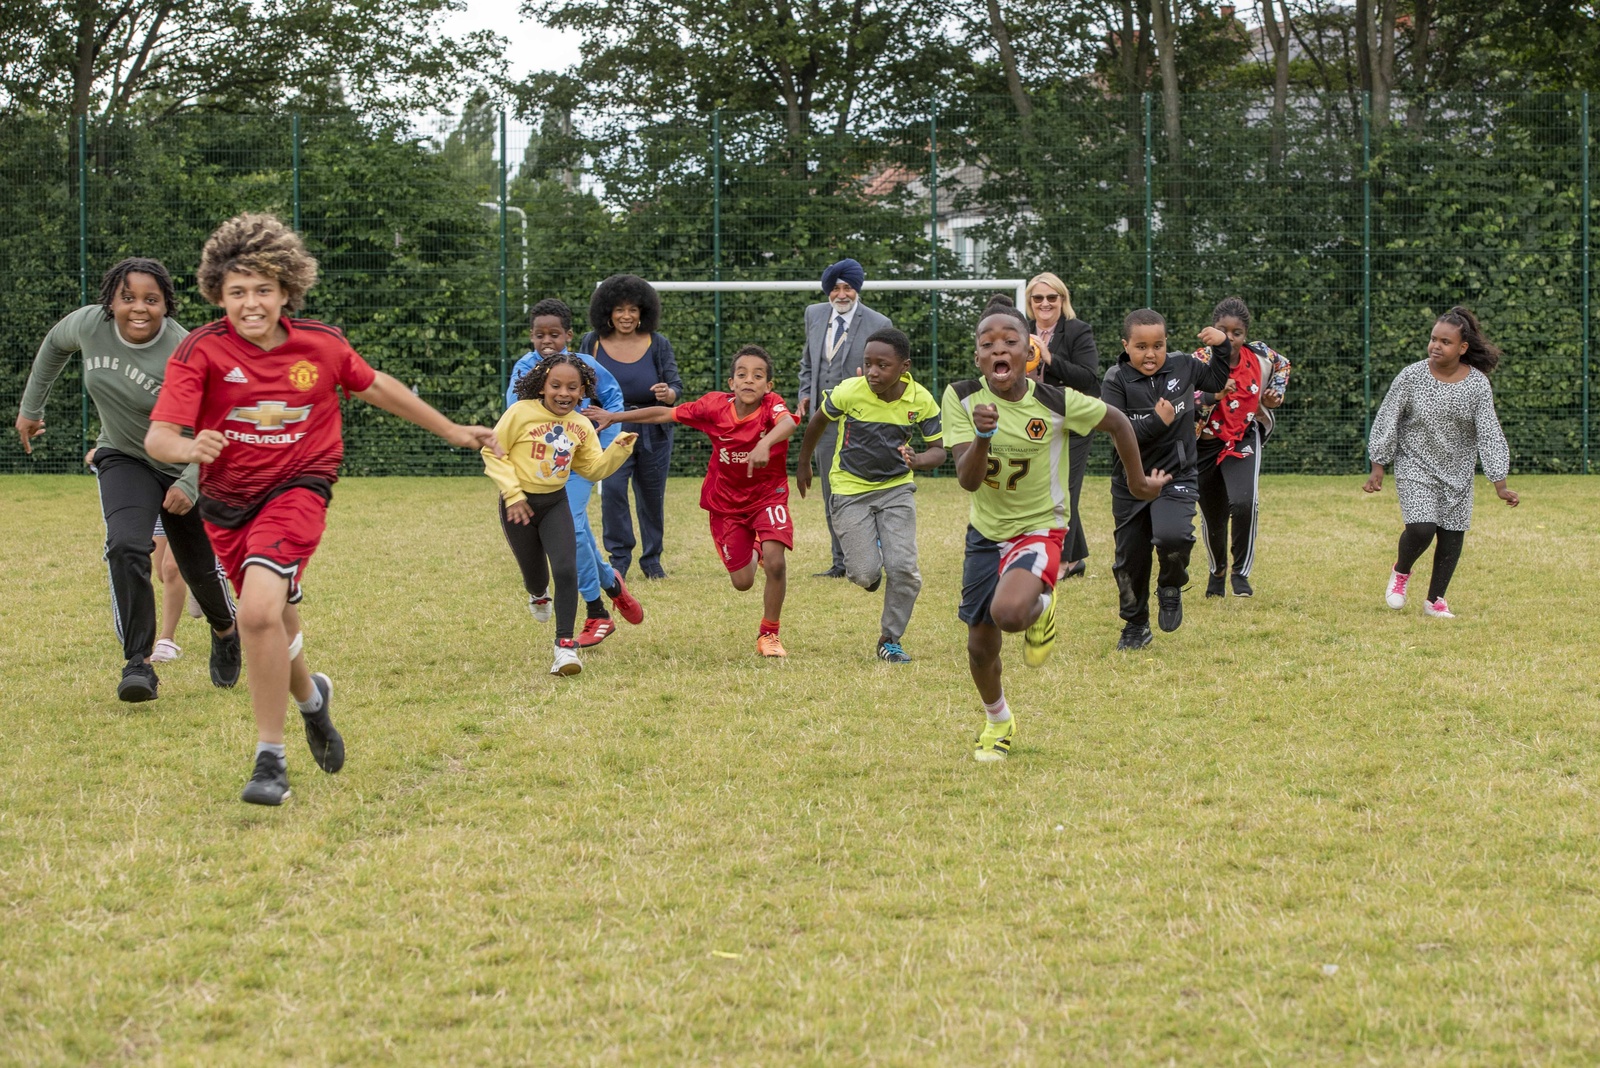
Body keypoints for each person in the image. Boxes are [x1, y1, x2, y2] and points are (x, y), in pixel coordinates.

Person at [146, 212, 501, 807]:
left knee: (258, 611)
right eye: (237, 292)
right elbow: (159, 438)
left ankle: (270, 760)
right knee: (276, 623)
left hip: (299, 488)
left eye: (263, 289)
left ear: (287, 289)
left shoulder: (322, 346)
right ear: (218, 295)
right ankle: (312, 701)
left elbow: (378, 386)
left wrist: (450, 430)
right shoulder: (200, 350)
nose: (251, 303)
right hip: (226, 504)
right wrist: (188, 446)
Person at [943, 302, 1168, 762]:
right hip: (985, 533)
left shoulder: (1055, 401)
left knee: (1009, 614)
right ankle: (998, 721)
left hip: (1040, 528)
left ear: (1029, 349)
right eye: (987, 344)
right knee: (979, 646)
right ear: (978, 358)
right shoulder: (962, 397)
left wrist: (1139, 481)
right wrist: (983, 437)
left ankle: (1041, 604)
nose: (999, 349)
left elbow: (1117, 421)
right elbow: (967, 480)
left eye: (1010, 341)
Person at [19, 257, 240, 702]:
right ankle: (138, 663)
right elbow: (52, 347)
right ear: (111, 300)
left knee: (196, 568)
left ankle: (225, 630)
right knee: (125, 545)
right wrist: (31, 409)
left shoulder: (186, 351)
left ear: (166, 305)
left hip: (182, 464)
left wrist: (191, 483)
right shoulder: (88, 325)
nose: (138, 308)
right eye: (128, 298)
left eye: (151, 299)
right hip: (123, 456)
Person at [593, 345, 798, 657]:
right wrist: (615, 416)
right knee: (742, 582)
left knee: (776, 562)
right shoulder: (713, 407)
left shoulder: (773, 406)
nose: (749, 380)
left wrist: (765, 443)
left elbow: (789, 424)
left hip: (768, 497)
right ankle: (756, 545)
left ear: (768, 386)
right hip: (725, 504)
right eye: (741, 374)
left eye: (758, 376)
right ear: (731, 383)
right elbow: (665, 412)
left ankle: (769, 634)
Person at [794, 327, 945, 663]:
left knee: (904, 569)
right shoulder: (850, 391)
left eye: (883, 365)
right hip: (849, 490)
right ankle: (871, 556)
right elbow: (818, 421)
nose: (873, 372)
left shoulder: (920, 400)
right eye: (868, 364)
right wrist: (804, 463)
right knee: (864, 575)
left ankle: (889, 639)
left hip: (896, 490)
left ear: (904, 366)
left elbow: (939, 450)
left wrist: (919, 460)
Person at [486, 354, 639, 676]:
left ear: (583, 391)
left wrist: (619, 449)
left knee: (567, 570)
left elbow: (592, 469)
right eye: (556, 385)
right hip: (519, 505)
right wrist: (513, 495)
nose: (564, 393)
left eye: (573, 387)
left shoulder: (581, 425)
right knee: (536, 577)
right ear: (542, 386)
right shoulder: (520, 413)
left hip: (556, 502)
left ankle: (564, 648)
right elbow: (492, 451)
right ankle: (538, 595)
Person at [506, 299, 644, 648]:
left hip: (578, 465)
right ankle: (611, 585)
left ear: (568, 335)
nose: (547, 341)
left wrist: (605, 439)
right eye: (540, 335)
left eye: (555, 334)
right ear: (531, 337)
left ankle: (597, 613)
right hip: (539, 469)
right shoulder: (523, 368)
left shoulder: (588, 365)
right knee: (576, 536)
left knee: (576, 529)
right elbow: (514, 418)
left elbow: (613, 404)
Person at [1364, 306, 1517, 618]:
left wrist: (1499, 482)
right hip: (1415, 465)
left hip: (1458, 470)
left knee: (1451, 535)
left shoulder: (1477, 384)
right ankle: (1401, 571)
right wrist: (1378, 465)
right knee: (1421, 529)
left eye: (1445, 342)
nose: (1436, 345)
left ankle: (1435, 600)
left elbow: (1489, 431)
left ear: (1462, 348)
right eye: (1433, 339)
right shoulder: (1412, 376)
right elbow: (1388, 417)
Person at [1100, 310, 1236, 650]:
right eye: (1141, 346)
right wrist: (1158, 422)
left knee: (1173, 536)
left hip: (1177, 475)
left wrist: (1222, 348)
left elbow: (1218, 382)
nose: (1151, 354)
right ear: (1126, 346)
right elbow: (1118, 434)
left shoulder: (1182, 365)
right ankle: (1136, 626)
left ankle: (1171, 585)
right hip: (1131, 481)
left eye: (1158, 345)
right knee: (1130, 558)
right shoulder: (1115, 381)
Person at [578, 275, 684, 580]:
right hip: (609, 431)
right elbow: (580, 383)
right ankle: (619, 559)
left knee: (651, 496)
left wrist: (668, 394)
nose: (626, 316)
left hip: (652, 431)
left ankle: (652, 560)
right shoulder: (592, 342)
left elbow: (676, 387)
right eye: (619, 309)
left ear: (643, 312)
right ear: (607, 312)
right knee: (612, 492)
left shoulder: (658, 343)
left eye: (633, 309)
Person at [796, 258, 894, 578]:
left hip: (861, 422)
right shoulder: (813, 314)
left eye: (847, 287)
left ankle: (872, 555)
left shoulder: (880, 323)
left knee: (863, 491)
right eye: (835, 288)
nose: (841, 294)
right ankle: (840, 562)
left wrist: (871, 379)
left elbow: (890, 371)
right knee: (830, 493)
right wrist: (804, 395)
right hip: (823, 422)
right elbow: (807, 365)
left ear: (857, 289)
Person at [1193, 296, 1292, 598]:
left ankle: (1240, 573)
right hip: (1205, 444)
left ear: (1245, 335)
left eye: (1237, 333)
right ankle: (1217, 570)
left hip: (1243, 439)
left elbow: (1283, 365)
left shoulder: (1260, 355)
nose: (1230, 338)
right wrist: (1213, 396)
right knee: (1213, 515)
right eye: (1223, 331)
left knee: (1245, 503)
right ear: (1212, 331)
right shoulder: (1199, 360)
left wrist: (1275, 392)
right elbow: (1188, 400)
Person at [1025, 272, 1103, 580]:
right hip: (1036, 422)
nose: (1045, 303)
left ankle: (1061, 562)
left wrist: (1049, 357)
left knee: (1064, 489)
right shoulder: (1020, 329)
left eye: (1052, 298)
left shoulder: (1078, 331)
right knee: (1047, 487)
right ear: (1030, 303)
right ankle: (1076, 558)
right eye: (1038, 298)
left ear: (1062, 300)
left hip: (1075, 418)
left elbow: (1088, 377)